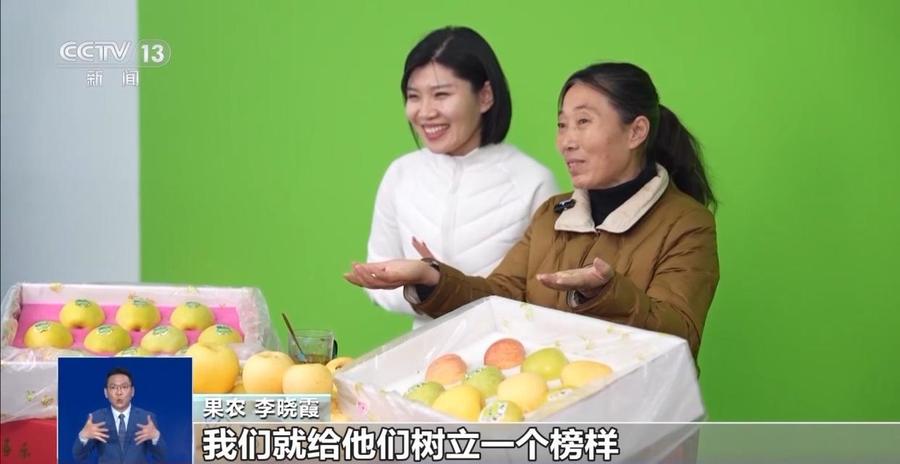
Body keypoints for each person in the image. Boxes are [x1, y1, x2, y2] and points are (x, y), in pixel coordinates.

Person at [347, 62, 719, 357]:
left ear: (636, 132)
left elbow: (681, 336)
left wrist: (608, 294)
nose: (566, 141)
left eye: (583, 122)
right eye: (562, 125)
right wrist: (430, 278)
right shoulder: (552, 214)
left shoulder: (687, 223)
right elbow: (500, 297)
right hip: (549, 410)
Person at [364, 26, 559, 328]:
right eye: (414, 96)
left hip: (509, 351)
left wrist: (444, 283)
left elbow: (546, 294)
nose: (425, 112)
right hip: (424, 351)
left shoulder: (533, 181)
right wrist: (425, 287)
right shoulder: (401, 174)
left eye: (441, 95)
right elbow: (376, 277)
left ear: (485, 96)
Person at [73, 366, 166, 464]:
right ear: (106, 393)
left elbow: (162, 457)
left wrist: (155, 436)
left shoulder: (146, 418)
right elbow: (79, 456)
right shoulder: (96, 418)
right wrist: (83, 436)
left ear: (132, 391)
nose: (119, 392)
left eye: (124, 387)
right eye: (113, 387)